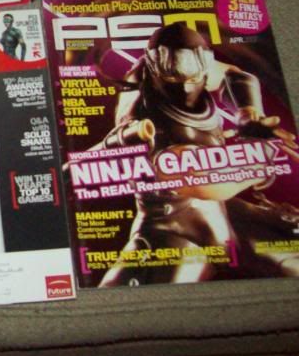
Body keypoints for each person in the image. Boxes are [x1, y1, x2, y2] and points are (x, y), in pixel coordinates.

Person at [99, 23, 298, 286]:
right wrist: (260, 157)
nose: (184, 88)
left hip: (224, 216)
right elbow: (202, 183)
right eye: (174, 80)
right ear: (155, 70)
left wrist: (248, 114)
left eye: (193, 79)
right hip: (173, 229)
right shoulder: (141, 119)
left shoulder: (181, 65)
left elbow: (234, 76)